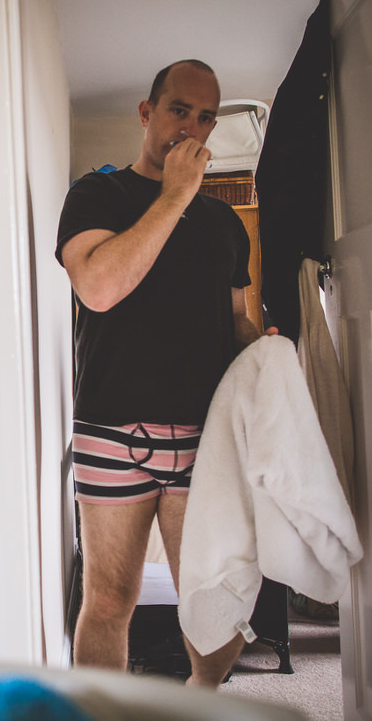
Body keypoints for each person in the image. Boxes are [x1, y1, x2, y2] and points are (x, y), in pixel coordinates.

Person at [55, 60, 272, 685]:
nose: (194, 127)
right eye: (180, 110)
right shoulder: (97, 195)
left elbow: (236, 322)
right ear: (147, 112)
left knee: (212, 598)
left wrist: (265, 355)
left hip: (205, 440)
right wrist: (175, 193)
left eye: (207, 116)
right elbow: (97, 287)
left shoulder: (227, 224)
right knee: (108, 599)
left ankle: (200, 699)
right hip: (111, 427)